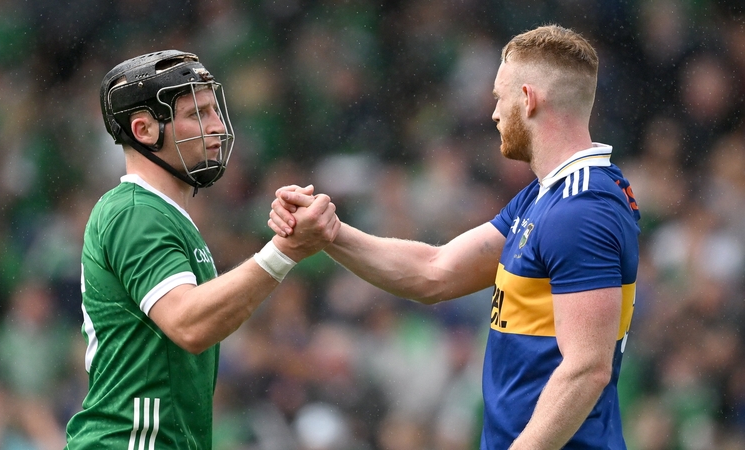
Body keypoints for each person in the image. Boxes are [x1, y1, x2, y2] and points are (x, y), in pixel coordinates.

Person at [270, 25, 641, 449]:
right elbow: (436, 272)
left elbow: (588, 368)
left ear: (529, 98)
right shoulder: (545, 197)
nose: (494, 113)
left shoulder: (580, 209)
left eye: (500, 97)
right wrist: (330, 233)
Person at [64, 50, 339, 449]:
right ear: (144, 130)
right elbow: (188, 324)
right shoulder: (136, 212)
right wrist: (285, 251)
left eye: (214, 110)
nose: (217, 126)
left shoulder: (163, 213)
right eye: (198, 115)